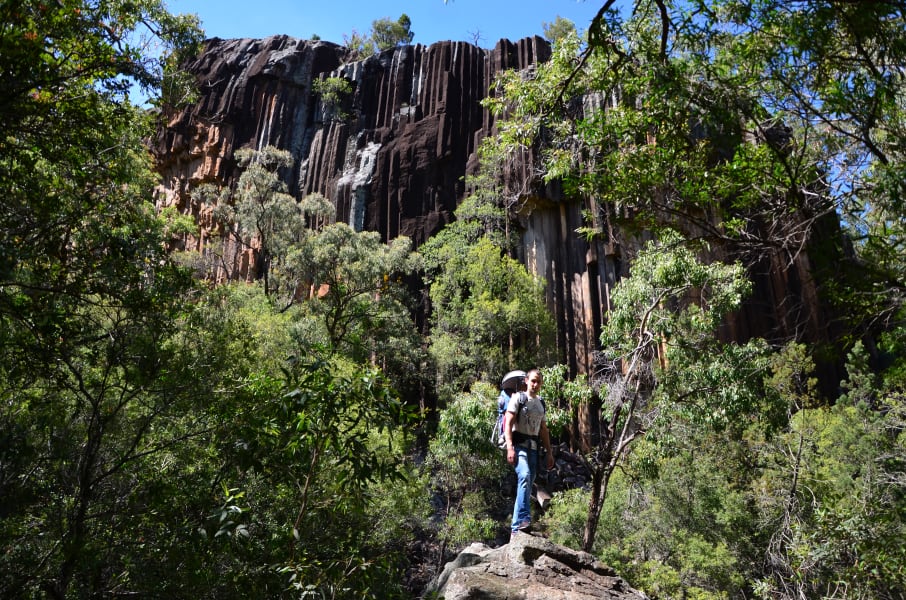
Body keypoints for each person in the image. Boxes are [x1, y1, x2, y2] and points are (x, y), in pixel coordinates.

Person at [503, 368, 554, 536]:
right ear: (526, 381)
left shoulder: (541, 403)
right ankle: (524, 518)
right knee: (524, 477)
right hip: (519, 447)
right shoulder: (518, 398)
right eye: (533, 380)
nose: (535, 384)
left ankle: (515, 529)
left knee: (525, 485)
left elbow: (543, 430)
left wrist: (549, 452)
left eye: (538, 381)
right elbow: (508, 423)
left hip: (533, 450)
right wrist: (510, 447)